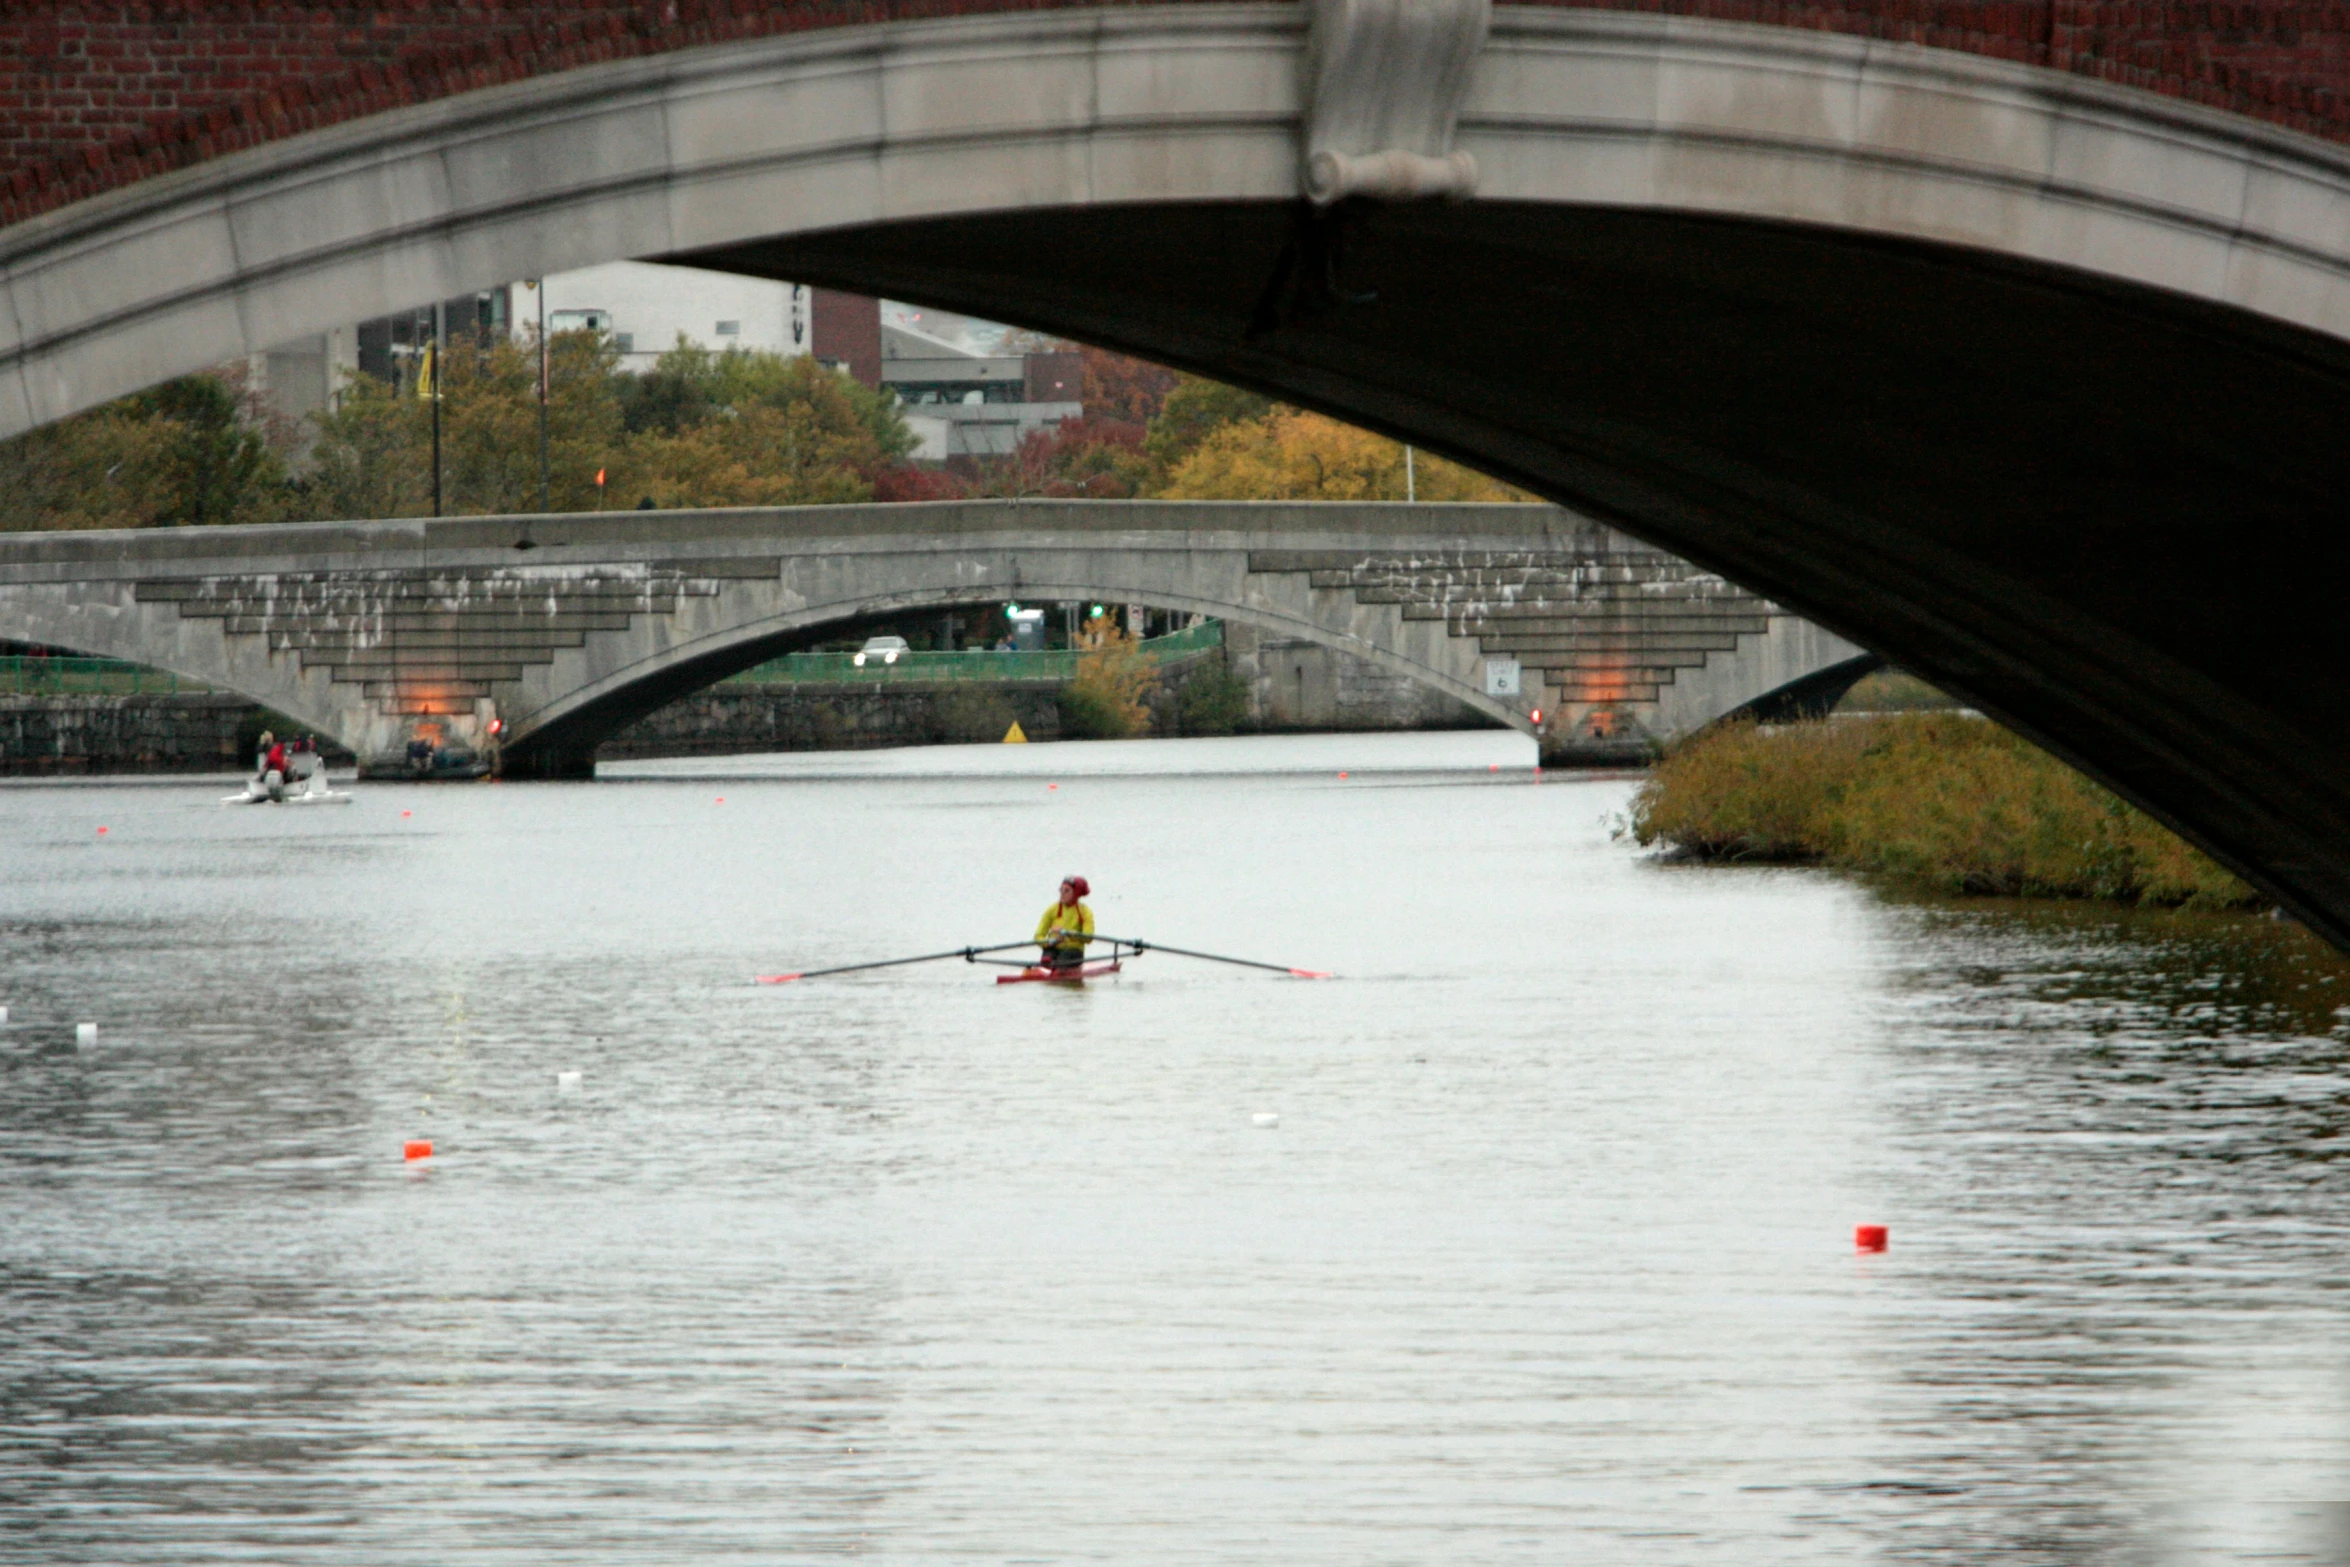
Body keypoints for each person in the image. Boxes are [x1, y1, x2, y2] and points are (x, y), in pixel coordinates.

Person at [1034, 875, 1095, 972]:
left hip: (1073, 951)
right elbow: (1038, 936)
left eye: (1066, 891)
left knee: (1063, 959)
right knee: (1047, 955)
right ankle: (1047, 968)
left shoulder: (1085, 911)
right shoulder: (1052, 909)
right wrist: (1050, 942)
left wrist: (1066, 933)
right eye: (1061, 890)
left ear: (1076, 893)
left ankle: (1059, 972)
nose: (1062, 894)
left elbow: (1088, 937)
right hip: (1052, 947)